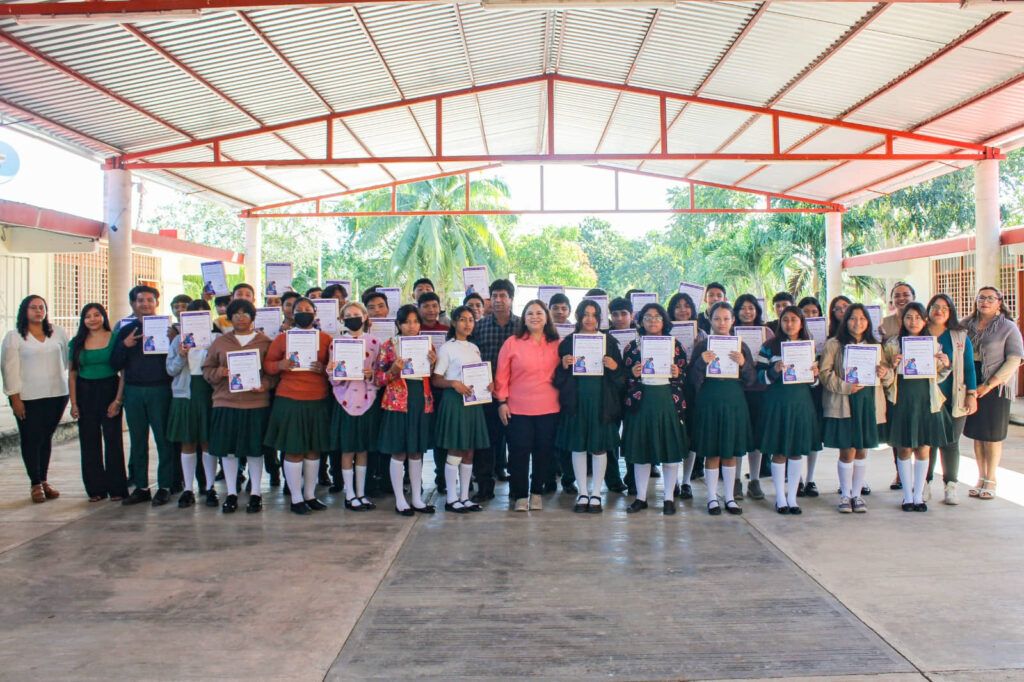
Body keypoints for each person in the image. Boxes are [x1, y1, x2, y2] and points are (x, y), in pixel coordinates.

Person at [203, 299, 275, 513]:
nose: (240, 317)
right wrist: (219, 373)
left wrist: (265, 385)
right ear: (230, 317)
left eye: (245, 313)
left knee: (254, 450)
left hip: (256, 403)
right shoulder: (221, 342)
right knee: (229, 451)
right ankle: (232, 493)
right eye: (236, 314)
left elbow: (274, 374)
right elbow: (207, 369)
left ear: (253, 317)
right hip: (226, 402)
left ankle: (256, 494)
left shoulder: (265, 342)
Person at [553, 300, 625, 514]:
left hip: (601, 404)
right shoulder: (567, 343)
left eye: (594, 315)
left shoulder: (609, 342)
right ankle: (582, 492)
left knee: (599, 447)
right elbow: (557, 379)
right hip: (576, 403)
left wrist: (613, 367)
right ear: (578, 316)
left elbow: (621, 379)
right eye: (585, 314)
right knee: (579, 446)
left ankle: (596, 493)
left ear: (600, 318)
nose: (589, 319)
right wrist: (564, 365)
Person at [820, 304, 892, 513]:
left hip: (868, 402)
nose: (857, 322)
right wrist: (845, 387)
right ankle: (845, 495)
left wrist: (883, 372)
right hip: (844, 402)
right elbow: (825, 373)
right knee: (847, 451)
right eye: (852, 318)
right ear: (845, 321)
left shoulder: (876, 346)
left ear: (868, 322)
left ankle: (857, 495)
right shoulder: (834, 344)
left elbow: (889, 378)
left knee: (862, 450)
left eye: (862, 318)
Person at [263, 297, 332, 515]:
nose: (304, 312)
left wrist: (324, 368)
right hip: (290, 399)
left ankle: (310, 495)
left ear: (315, 313)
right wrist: (280, 365)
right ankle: (296, 497)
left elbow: (336, 368)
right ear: (292, 314)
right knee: (293, 450)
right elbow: (268, 365)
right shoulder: (282, 339)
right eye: (299, 310)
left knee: (313, 450)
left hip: (317, 399)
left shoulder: (326, 339)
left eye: (308, 309)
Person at [110, 286, 176, 506]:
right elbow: (115, 364)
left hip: (161, 390)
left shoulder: (170, 329)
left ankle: (165, 485)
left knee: (163, 439)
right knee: (138, 440)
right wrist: (125, 346)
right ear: (133, 304)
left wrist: (173, 339)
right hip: (134, 391)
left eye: (150, 300)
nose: (145, 304)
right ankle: (141, 487)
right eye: (140, 300)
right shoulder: (125, 330)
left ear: (157, 303)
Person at [884, 302, 953, 512]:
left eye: (917, 317)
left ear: (925, 320)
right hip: (902, 400)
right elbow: (884, 379)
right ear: (902, 320)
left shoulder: (933, 344)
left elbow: (939, 375)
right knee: (904, 447)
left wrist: (945, 363)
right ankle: (906, 496)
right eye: (908, 317)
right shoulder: (893, 344)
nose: (913, 322)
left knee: (923, 447)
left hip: (926, 401)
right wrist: (892, 367)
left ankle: (918, 495)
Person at [688, 302, 755, 516]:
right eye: (717, 319)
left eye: (726, 318)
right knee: (712, 452)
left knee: (730, 452)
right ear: (710, 320)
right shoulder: (702, 345)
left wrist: (743, 363)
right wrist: (701, 363)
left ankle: (729, 497)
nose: (722, 323)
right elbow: (692, 380)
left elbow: (751, 379)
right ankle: (711, 498)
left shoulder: (741, 346)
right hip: (709, 402)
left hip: (734, 402)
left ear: (733, 320)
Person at [494, 299, 561, 512]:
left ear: (546, 317)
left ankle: (537, 492)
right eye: (530, 313)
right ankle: (520, 494)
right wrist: (501, 402)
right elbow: (502, 375)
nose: (534, 317)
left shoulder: (557, 343)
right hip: (518, 408)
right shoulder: (512, 343)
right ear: (524, 317)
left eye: (539, 313)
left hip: (549, 407)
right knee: (518, 452)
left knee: (543, 452)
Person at [620, 303, 687, 515]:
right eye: (647, 317)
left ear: (664, 320)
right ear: (640, 322)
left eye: (657, 317)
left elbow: (685, 375)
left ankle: (668, 498)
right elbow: (623, 377)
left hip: (667, 400)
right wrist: (632, 371)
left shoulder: (675, 345)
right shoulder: (632, 346)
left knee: (670, 451)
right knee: (642, 451)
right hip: (641, 402)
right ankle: (641, 498)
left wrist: (677, 372)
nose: (652, 321)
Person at [2, 295, 70, 503]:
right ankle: (35, 483)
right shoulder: (14, 337)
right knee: (31, 439)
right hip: (28, 397)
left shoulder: (57, 332)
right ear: (25, 311)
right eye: (33, 308)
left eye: (42, 307)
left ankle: (44, 480)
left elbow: (67, 360)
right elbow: (8, 369)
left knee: (45, 438)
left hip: (57, 394)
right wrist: (15, 398)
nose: (38, 311)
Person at [756, 306, 820, 515]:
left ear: (801, 322)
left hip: (801, 403)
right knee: (779, 451)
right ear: (780, 322)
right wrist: (773, 371)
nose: (789, 324)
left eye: (794, 319)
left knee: (795, 452)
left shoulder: (809, 347)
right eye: (785, 320)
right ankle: (780, 498)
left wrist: (814, 374)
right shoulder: (769, 346)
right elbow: (758, 378)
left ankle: (793, 497)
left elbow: (814, 385)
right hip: (777, 403)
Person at [374, 304, 437, 515]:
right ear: (398, 324)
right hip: (398, 403)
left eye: (416, 321)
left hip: (421, 400)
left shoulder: (427, 345)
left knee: (416, 451)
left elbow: (433, 375)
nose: (412, 326)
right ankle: (400, 499)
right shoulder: (389, 346)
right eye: (407, 322)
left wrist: (433, 363)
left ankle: (417, 498)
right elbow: (378, 379)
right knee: (399, 451)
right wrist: (393, 370)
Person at [963, 286, 1023, 502]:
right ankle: (980, 477)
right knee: (977, 434)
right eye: (981, 298)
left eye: (990, 298)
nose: (985, 302)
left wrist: (988, 386)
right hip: (971, 383)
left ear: (999, 302)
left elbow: (1014, 359)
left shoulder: (1008, 327)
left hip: (996, 385)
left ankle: (992, 478)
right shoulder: (965, 324)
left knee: (992, 435)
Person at [432, 305, 488, 513]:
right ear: (454, 322)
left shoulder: (474, 348)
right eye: (462, 319)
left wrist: (487, 386)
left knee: (469, 450)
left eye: (471, 320)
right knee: (455, 448)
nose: (467, 324)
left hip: (473, 403)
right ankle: (451, 498)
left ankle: (465, 497)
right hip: (454, 402)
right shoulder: (447, 348)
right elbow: (436, 379)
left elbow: (479, 375)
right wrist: (454, 383)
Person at [68, 303, 127, 502]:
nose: (92, 319)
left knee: (113, 440)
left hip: (110, 389)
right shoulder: (76, 342)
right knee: (89, 441)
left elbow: (123, 372)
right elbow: (73, 375)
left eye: (97, 314)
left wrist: (118, 400)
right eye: (88, 316)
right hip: (85, 393)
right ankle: (95, 489)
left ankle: (117, 487)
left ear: (103, 316)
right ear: (83, 320)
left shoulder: (115, 338)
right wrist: (74, 403)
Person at [327, 302, 382, 511]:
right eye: (348, 315)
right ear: (342, 320)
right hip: (345, 400)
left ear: (365, 317)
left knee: (363, 448)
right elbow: (333, 378)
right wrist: (332, 371)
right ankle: (349, 493)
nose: (353, 318)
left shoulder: (375, 342)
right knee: (348, 448)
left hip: (368, 400)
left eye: (356, 314)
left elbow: (380, 372)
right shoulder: (336, 343)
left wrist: (373, 376)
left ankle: (361, 492)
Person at [925, 294, 977, 505]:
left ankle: (950, 486)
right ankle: (924, 484)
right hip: (927, 397)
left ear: (951, 312)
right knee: (927, 442)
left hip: (955, 397)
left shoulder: (959, 336)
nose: (939, 311)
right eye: (935, 307)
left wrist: (972, 395)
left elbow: (969, 367)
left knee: (951, 442)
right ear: (928, 309)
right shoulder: (919, 333)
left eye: (945, 308)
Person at [470, 279, 519, 500]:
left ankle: (518, 490)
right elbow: (471, 357)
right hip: (486, 395)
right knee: (486, 444)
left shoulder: (521, 327)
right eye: (495, 296)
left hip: (516, 396)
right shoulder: (479, 326)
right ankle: (485, 487)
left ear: (511, 299)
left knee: (517, 443)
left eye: (503, 296)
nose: (499, 300)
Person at [166, 299, 218, 509]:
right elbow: (170, 370)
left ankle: (210, 487)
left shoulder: (217, 338)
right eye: (192, 314)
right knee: (187, 442)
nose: (197, 318)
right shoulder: (178, 339)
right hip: (185, 395)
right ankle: (188, 489)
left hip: (209, 394)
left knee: (208, 443)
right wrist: (181, 355)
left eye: (202, 314)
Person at [666, 291, 706, 499]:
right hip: (670, 389)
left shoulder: (703, 335)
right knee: (672, 433)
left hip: (694, 390)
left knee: (691, 434)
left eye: (686, 305)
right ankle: (671, 483)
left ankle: (686, 481)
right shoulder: (663, 334)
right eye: (678, 306)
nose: (683, 310)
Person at [733, 293, 772, 502]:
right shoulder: (729, 332)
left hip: (760, 391)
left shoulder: (767, 332)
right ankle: (736, 480)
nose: (747, 312)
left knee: (756, 437)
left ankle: (754, 480)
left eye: (751, 308)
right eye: (742, 308)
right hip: (738, 391)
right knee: (739, 436)